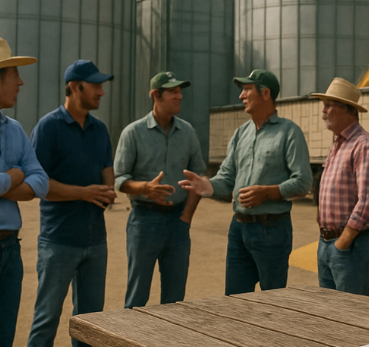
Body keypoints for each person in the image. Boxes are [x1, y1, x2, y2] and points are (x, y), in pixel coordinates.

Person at [180, 69, 312, 295]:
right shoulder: (241, 133)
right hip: (238, 229)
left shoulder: (289, 132)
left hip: (272, 229)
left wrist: (268, 192)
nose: (241, 96)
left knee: (272, 299)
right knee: (235, 299)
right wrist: (208, 186)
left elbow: (303, 182)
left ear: (265, 94)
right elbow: (227, 177)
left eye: (247, 90)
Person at [27, 59, 116, 347]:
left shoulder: (100, 129)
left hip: (96, 241)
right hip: (58, 241)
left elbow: (107, 170)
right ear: (75, 87)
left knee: (91, 324)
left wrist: (108, 189)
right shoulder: (48, 128)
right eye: (96, 86)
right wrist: (84, 193)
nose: (101, 92)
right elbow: (38, 184)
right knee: (46, 320)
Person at [114, 71, 205, 308]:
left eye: (180, 91)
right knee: (137, 298)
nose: (179, 96)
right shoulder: (133, 133)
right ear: (156, 95)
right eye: (173, 92)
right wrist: (145, 188)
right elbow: (120, 179)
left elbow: (199, 178)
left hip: (178, 222)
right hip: (144, 221)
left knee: (175, 301)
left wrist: (186, 217)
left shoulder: (187, 132)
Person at [0, 38, 48, 347]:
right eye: (15, 75)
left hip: (10, 251)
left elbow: (41, 182)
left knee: (2, 339)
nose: (21, 83)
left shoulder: (15, 129)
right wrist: (15, 175)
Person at [311, 78, 369, 296]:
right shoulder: (338, 144)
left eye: (329, 105)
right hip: (328, 242)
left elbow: (368, 201)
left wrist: (343, 242)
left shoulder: (363, 145)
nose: (323, 111)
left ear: (348, 109)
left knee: (350, 311)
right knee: (329, 310)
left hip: (351, 246)